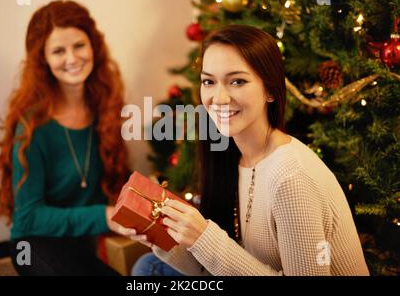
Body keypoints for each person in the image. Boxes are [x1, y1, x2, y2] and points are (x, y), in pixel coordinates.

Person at [123, 25, 369, 276]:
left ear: (270, 90)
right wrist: (160, 237)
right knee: (149, 265)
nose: (218, 98)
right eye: (208, 81)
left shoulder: (291, 179)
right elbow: (216, 268)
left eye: (237, 81)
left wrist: (205, 238)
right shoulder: (232, 156)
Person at [0, 0, 130, 275]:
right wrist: (103, 216)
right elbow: (28, 218)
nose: (72, 58)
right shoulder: (31, 125)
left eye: (79, 45)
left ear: (93, 46)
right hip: (36, 243)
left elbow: (113, 177)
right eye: (58, 50)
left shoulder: (106, 104)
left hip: (88, 238)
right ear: (43, 59)